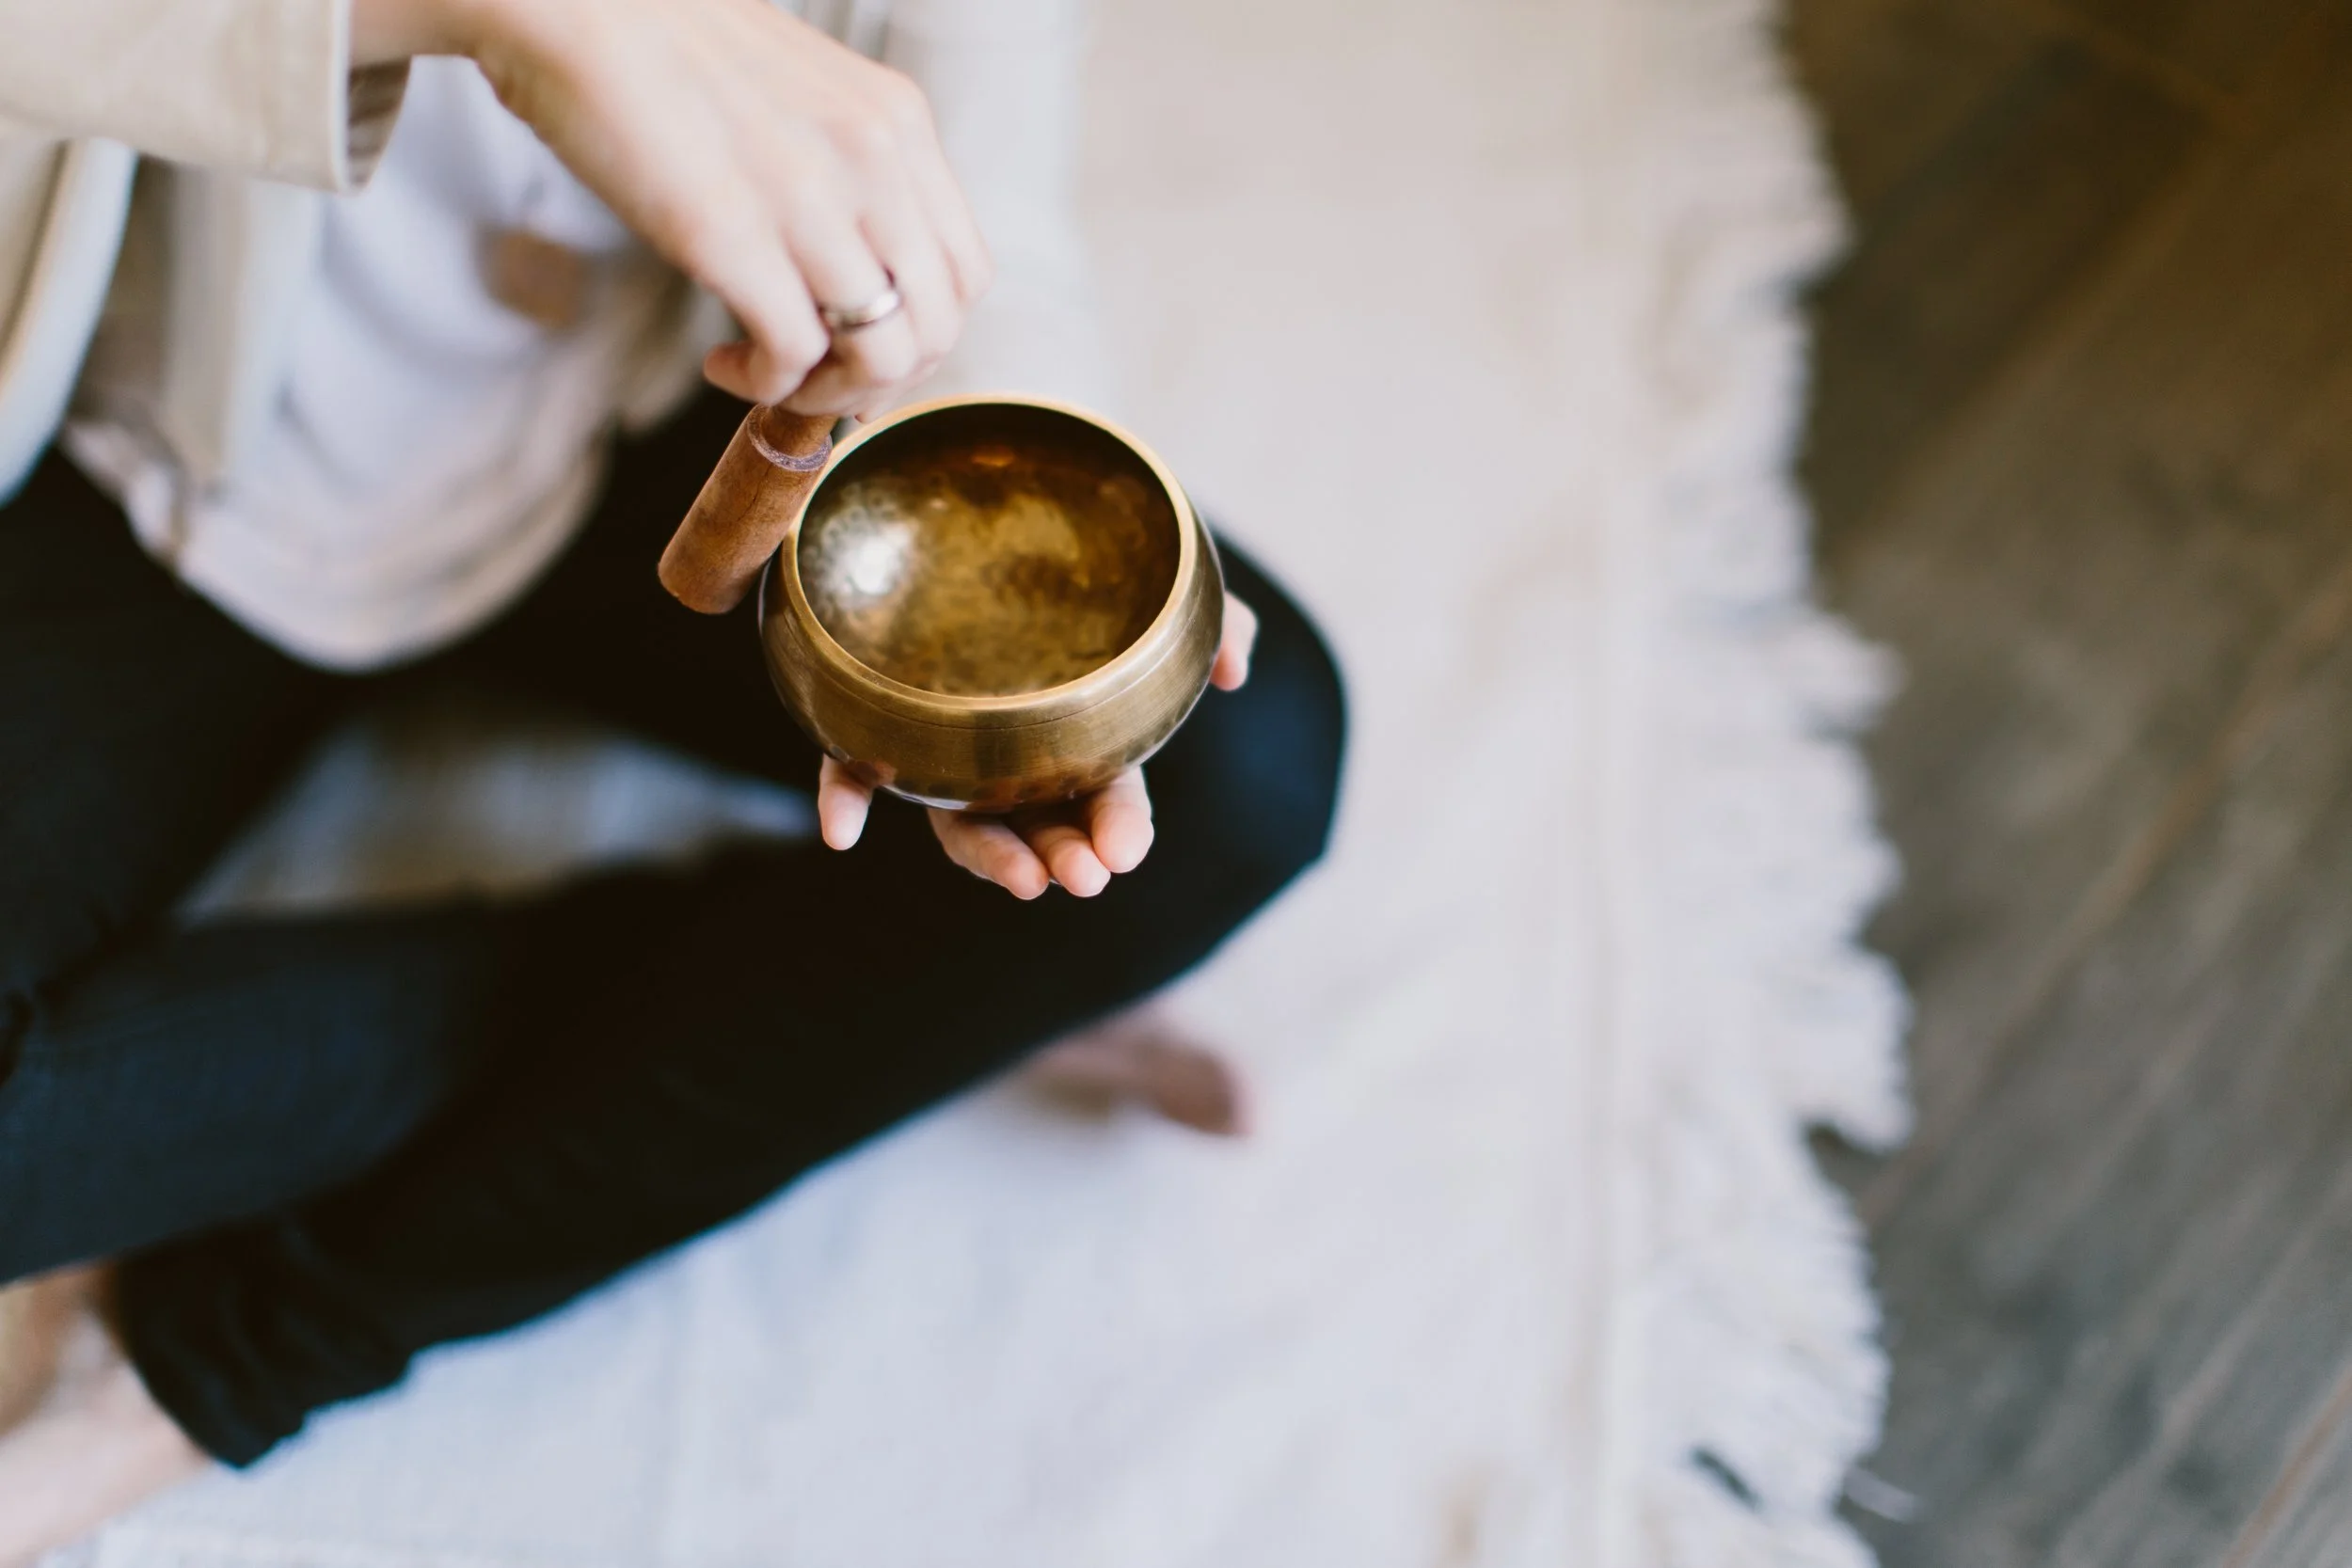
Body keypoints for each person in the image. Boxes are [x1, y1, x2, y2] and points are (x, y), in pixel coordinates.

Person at [0, 0, 1345, 1556]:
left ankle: (224, 1350)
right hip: (158, 439)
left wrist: (1035, 581)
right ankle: (835, 1004)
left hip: (650, 447)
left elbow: (983, 220)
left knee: (1237, 766)